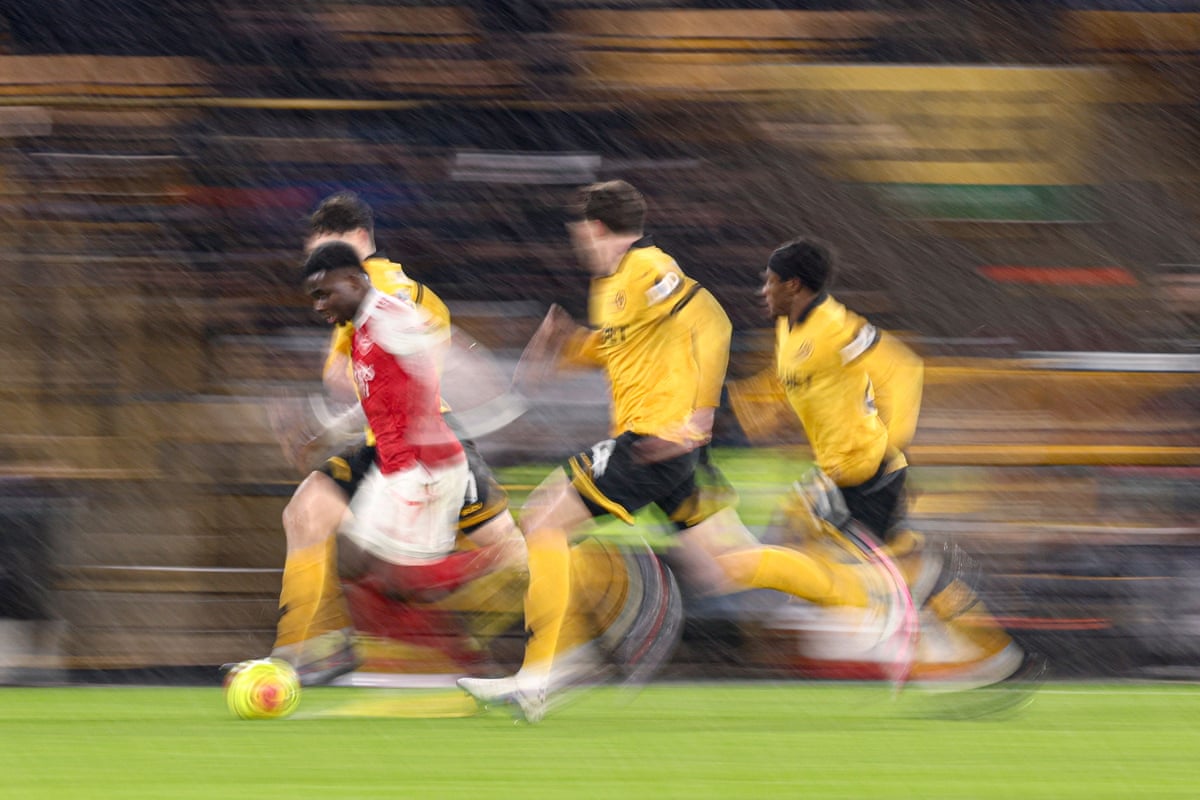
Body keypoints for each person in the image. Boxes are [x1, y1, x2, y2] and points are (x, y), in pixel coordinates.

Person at [458, 180, 899, 721]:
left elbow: (711, 318)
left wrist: (699, 414)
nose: (577, 241)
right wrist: (570, 344)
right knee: (724, 566)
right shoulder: (613, 286)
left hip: (652, 440)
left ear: (594, 228)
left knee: (543, 521)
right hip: (670, 451)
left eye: (579, 231)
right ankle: (864, 597)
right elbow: (624, 350)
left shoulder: (647, 267)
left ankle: (542, 672)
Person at [754, 236, 1032, 690]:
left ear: (794, 285)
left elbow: (903, 369)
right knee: (876, 555)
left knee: (879, 562)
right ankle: (967, 645)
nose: (762, 291)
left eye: (769, 282)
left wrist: (890, 441)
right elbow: (797, 376)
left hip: (867, 471)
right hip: (841, 471)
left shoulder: (836, 326)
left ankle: (963, 649)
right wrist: (762, 400)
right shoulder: (789, 329)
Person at [270, 193, 524, 685]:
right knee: (311, 517)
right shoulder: (369, 305)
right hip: (387, 442)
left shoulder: (383, 290)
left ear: (360, 244)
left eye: (332, 254)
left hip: (423, 444)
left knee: (505, 560)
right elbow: (367, 386)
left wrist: (506, 398)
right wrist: (322, 426)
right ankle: (306, 652)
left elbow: (411, 356)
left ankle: (562, 616)